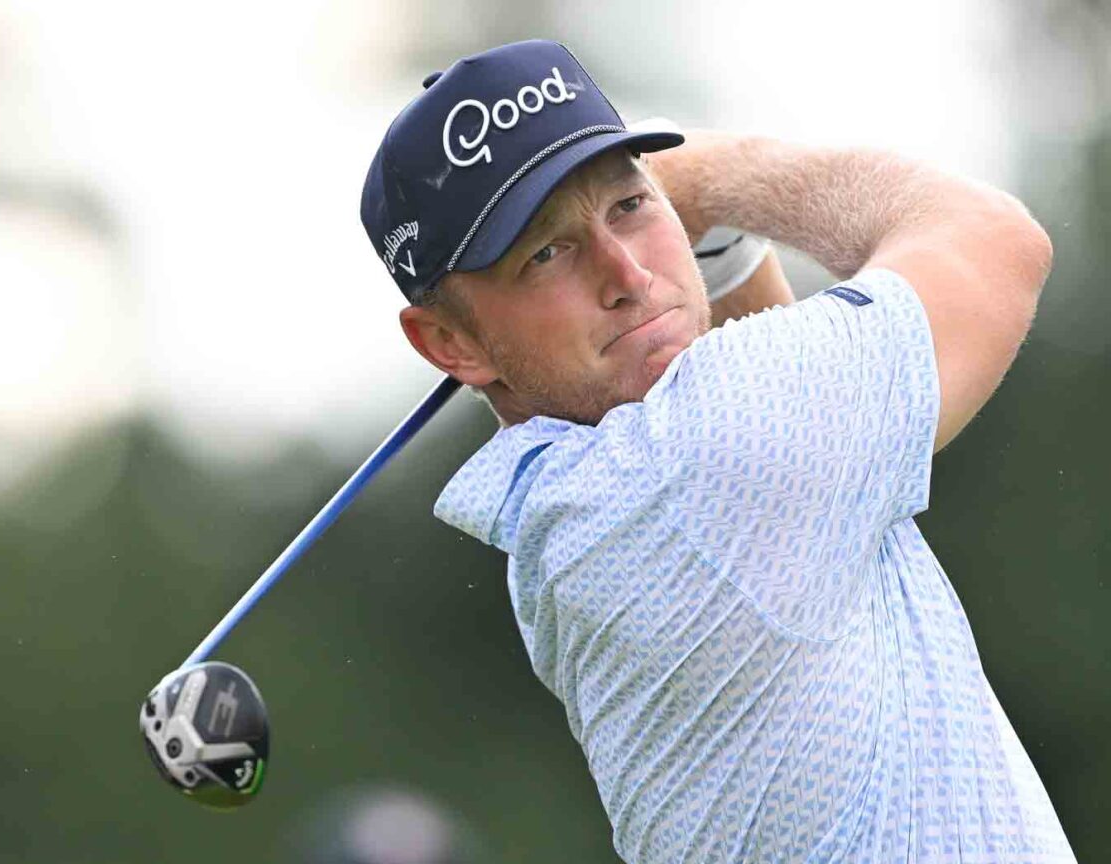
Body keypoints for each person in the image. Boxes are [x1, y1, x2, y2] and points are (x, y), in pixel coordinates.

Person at [359, 39, 1076, 862]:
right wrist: (713, 177)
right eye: (545, 253)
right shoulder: (696, 464)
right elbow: (996, 241)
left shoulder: (573, 499)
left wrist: (712, 244)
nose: (627, 274)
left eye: (631, 206)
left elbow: (752, 357)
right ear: (449, 343)